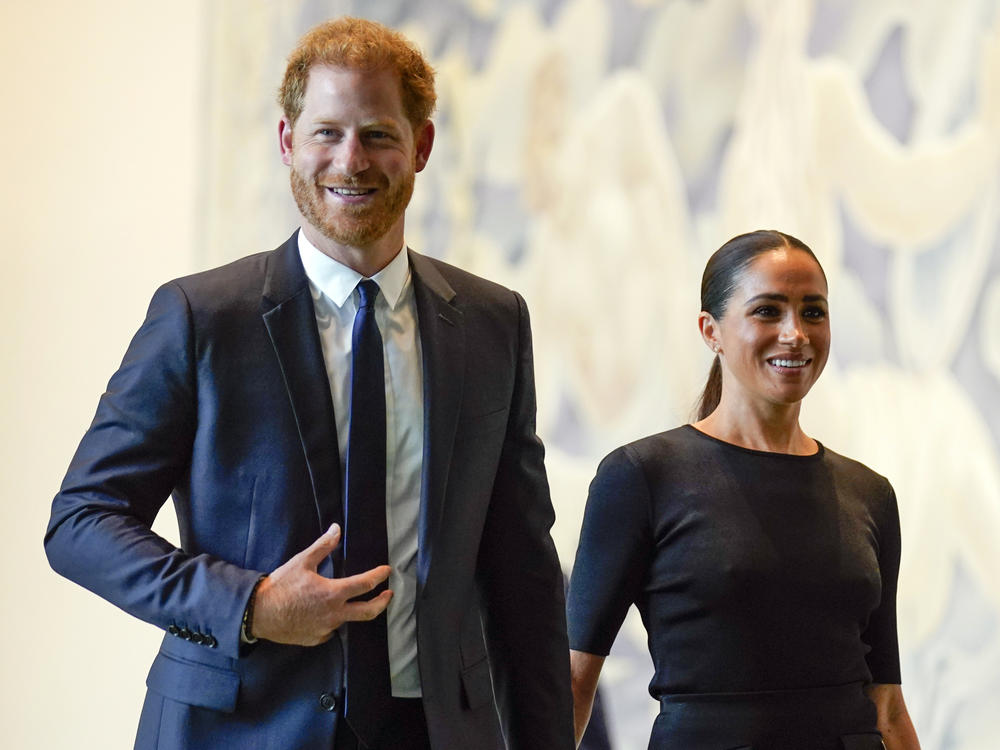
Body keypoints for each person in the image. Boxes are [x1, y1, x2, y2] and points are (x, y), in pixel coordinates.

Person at [44, 17, 573, 750]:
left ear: (420, 146)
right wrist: (251, 604)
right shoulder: (201, 317)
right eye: (326, 132)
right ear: (287, 141)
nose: (350, 161)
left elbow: (525, 575)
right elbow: (81, 522)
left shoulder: (492, 323)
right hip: (236, 729)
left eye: (379, 135)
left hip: (434, 731)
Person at [566, 230, 920, 750]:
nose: (795, 333)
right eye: (767, 311)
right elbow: (575, 680)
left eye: (813, 312)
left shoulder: (869, 493)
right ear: (711, 331)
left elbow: (886, 702)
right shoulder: (642, 476)